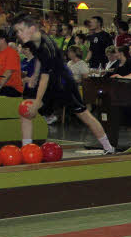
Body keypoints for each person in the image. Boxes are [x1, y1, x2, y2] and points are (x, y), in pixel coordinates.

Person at [12, 13, 115, 153]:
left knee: (84, 115)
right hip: (50, 84)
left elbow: (45, 77)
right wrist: (33, 77)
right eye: (17, 31)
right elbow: (38, 60)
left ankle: (108, 148)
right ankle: (26, 150)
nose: (18, 34)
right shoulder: (32, 41)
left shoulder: (46, 45)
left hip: (64, 84)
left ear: (31, 28)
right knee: (25, 111)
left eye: (20, 30)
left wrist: (37, 101)